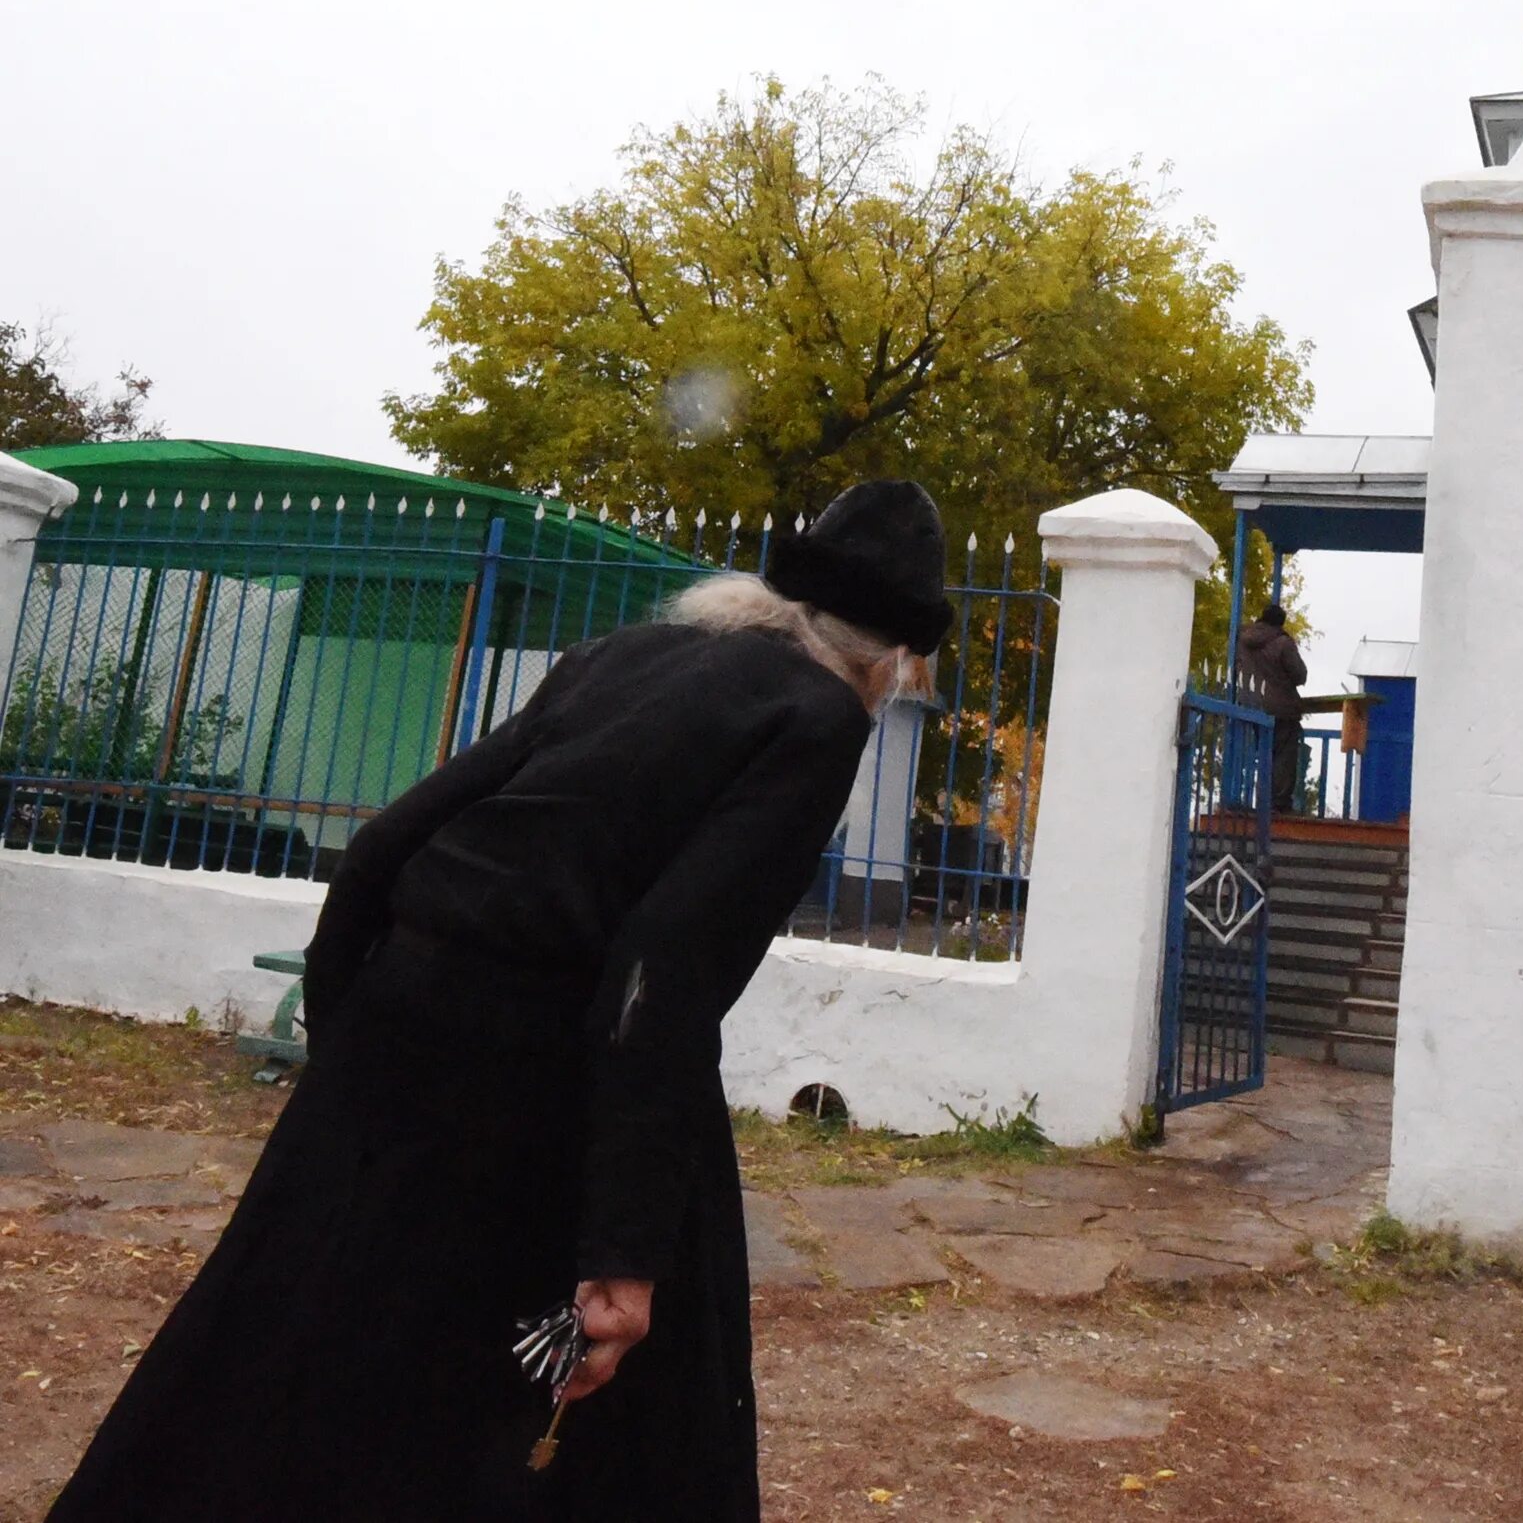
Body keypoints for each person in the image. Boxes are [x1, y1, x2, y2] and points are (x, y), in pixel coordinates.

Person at [49, 480, 955, 1523]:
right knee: (609, 1411)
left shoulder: (622, 657)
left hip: (397, 1028)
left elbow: (384, 845)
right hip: (551, 1073)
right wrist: (622, 1250)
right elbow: (659, 969)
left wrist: (355, 1061)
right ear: (888, 656)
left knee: (293, 1338)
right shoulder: (818, 715)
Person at [1235, 599, 1309, 811]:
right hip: (1281, 709)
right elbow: (1300, 675)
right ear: (1281, 623)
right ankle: (1277, 804)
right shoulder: (1283, 643)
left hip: (1250, 706)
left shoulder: (1243, 639)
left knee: (1263, 752)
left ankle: (1256, 800)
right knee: (1284, 756)